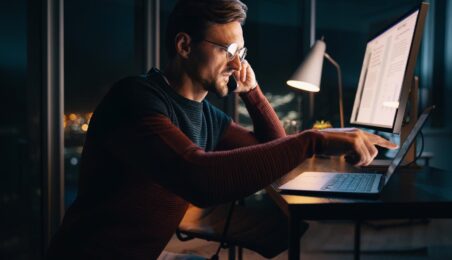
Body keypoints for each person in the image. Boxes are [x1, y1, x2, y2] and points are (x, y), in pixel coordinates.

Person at [46, 0, 397, 259]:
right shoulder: (136, 99)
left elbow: (276, 151)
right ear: (184, 46)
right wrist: (315, 139)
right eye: (228, 49)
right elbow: (200, 179)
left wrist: (254, 93)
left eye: (241, 51)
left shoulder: (206, 114)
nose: (237, 63)